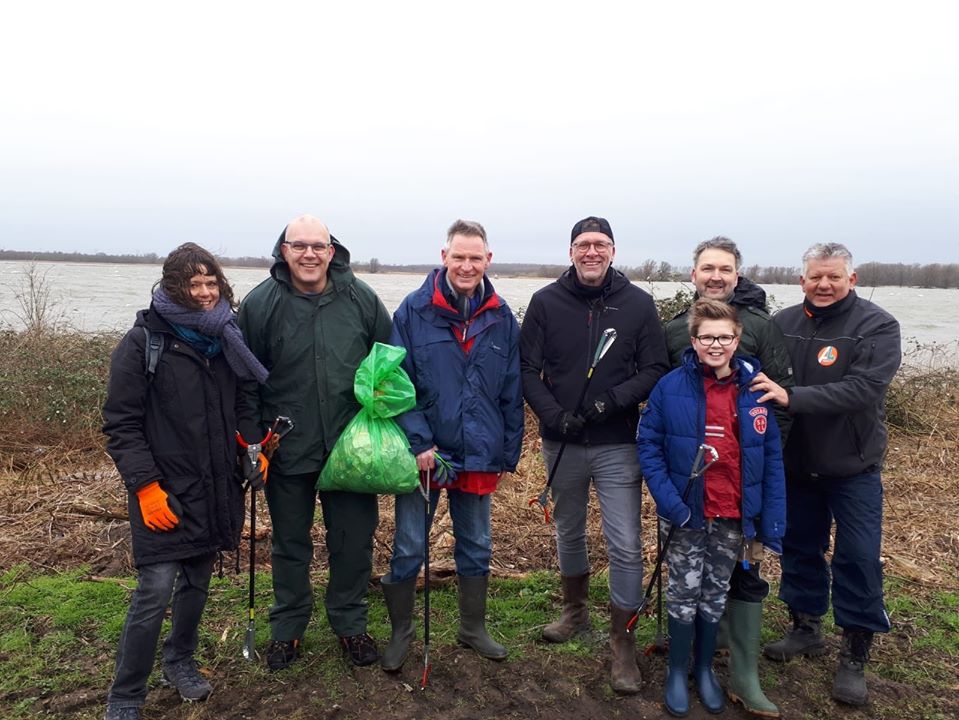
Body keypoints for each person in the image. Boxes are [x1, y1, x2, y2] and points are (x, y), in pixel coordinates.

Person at [101, 243, 269, 720]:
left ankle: (180, 662)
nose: (203, 292)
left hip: (214, 486)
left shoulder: (225, 340)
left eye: (210, 282)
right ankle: (126, 695)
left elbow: (242, 404)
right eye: (192, 284)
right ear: (173, 286)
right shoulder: (143, 343)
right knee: (155, 589)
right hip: (163, 490)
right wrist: (145, 488)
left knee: (197, 581)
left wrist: (253, 448)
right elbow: (121, 423)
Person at [520, 216, 670, 694]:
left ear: (612, 250)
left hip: (617, 443)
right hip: (560, 440)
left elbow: (654, 368)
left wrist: (612, 402)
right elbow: (526, 369)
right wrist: (553, 413)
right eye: (583, 244)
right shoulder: (545, 303)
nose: (591, 252)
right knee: (568, 529)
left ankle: (621, 641)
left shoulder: (638, 304)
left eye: (600, 244)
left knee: (625, 542)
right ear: (571, 252)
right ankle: (575, 613)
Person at [236, 215, 391, 670]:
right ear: (283, 250)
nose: (309, 254)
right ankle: (288, 629)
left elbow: (387, 362)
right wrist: (252, 444)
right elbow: (245, 382)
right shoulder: (260, 304)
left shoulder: (361, 298)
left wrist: (381, 415)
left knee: (353, 542)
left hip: (352, 449)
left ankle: (350, 624)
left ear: (332, 250)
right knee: (289, 544)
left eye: (317, 246)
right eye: (298, 245)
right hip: (286, 447)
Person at [751, 242, 901, 707]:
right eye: (815, 277)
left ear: (850, 280)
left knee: (857, 557)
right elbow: (760, 379)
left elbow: (863, 389)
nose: (824, 284)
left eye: (833, 276)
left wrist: (791, 397)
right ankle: (806, 626)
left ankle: (855, 653)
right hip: (795, 463)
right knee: (800, 547)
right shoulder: (783, 324)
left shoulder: (877, 325)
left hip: (852, 466)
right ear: (802, 281)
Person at [380, 219, 524, 671]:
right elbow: (394, 383)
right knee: (408, 545)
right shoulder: (412, 310)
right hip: (425, 454)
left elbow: (512, 390)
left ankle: (472, 628)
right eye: (458, 256)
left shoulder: (502, 317)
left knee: (477, 544)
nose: (466, 265)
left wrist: (506, 452)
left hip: (479, 453)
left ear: (488, 260)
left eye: (474, 257)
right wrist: (418, 441)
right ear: (444, 257)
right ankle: (401, 633)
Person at [663, 236, 793, 718]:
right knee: (686, 583)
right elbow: (663, 409)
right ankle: (685, 661)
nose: (715, 275)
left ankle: (741, 673)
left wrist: (755, 468)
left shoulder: (763, 327)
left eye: (725, 268)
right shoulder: (675, 329)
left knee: (738, 579)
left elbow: (781, 403)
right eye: (706, 268)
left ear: (737, 274)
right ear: (693, 273)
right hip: (690, 493)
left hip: (743, 491)